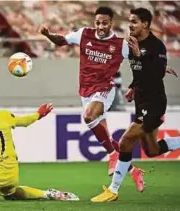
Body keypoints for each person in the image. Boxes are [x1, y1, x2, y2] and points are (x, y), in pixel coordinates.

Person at [90, 8, 180, 203]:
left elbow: (156, 73)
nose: (130, 25)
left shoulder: (157, 46)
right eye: (130, 21)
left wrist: (140, 55)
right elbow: (140, 73)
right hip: (141, 101)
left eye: (134, 22)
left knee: (124, 142)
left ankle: (113, 190)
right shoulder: (133, 44)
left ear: (145, 24)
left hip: (154, 102)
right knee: (152, 150)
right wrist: (132, 86)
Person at [39, 6, 145, 192]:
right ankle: (134, 171)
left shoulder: (121, 45)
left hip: (105, 89)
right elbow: (62, 40)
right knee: (106, 136)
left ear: (111, 23)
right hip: (85, 91)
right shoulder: (84, 34)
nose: (101, 26)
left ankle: (113, 156)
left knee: (88, 117)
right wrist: (48, 35)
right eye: (98, 23)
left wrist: (138, 82)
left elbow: (139, 62)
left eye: (104, 23)